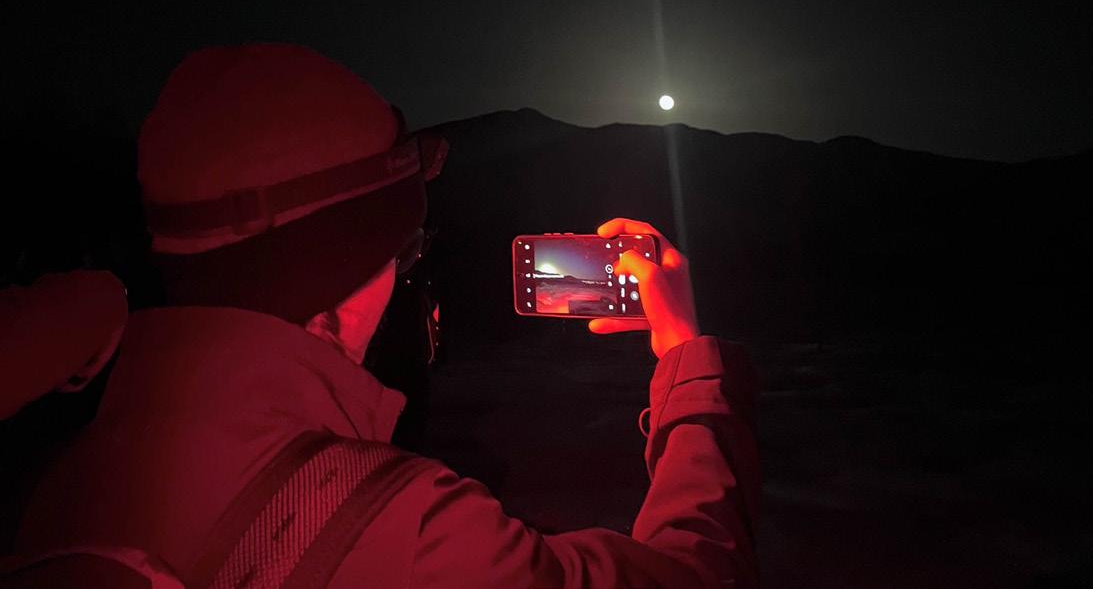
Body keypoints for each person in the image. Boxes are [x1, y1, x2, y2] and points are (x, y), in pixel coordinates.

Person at [10, 44, 759, 587]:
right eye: (406, 251)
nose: (410, 278)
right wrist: (683, 352)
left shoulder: (61, 476)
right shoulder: (412, 534)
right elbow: (697, 574)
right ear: (343, 276)